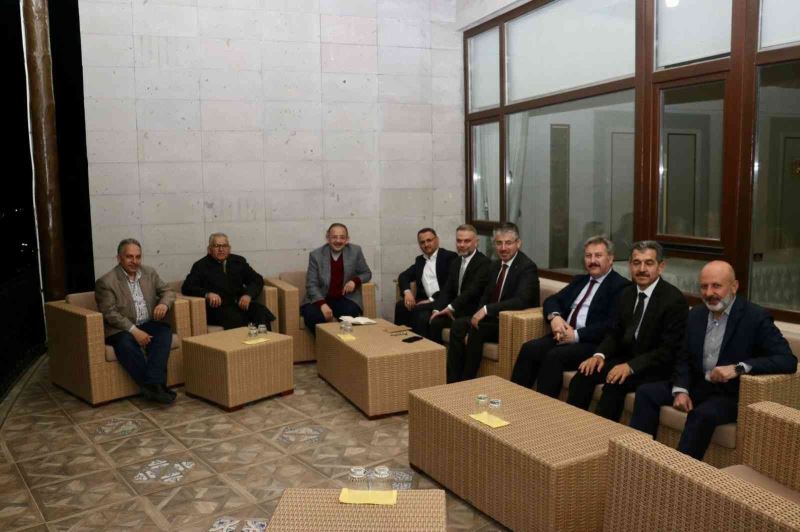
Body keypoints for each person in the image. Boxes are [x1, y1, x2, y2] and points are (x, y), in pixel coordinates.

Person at [630, 261, 797, 460]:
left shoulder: (755, 317)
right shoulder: (696, 314)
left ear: (734, 286)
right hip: (697, 385)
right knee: (646, 392)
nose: (709, 293)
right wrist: (681, 389)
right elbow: (683, 355)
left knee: (702, 414)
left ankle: (679, 470)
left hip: (729, 395)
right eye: (704, 286)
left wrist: (738, 368)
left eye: (716, 286)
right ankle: (637, 458)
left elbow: (787, 360)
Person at [566, 241, 688, 421]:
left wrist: (630, 367)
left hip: (654, 367)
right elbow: (615, 332)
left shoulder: (674, 300)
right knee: (585, 373)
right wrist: (599, 355)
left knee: (615, 383)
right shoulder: (627, 294)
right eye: (636, 263)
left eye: (649, 263)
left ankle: (601, 434)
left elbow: (667, 351)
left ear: (661, 267)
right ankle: (571, 425)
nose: (642, 269)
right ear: (630, 266)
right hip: (626, 358)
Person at [510, 236, 630, 396]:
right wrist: (555, 317)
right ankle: (514, 400)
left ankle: (543, 407)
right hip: (563, 335)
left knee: (554, 356)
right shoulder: (580, 280)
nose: (592, 261)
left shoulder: (621, 286)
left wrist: (576, 335)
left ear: (610, 259)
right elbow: (552, 300)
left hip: (591, 343)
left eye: (598, 255)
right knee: (529, 348)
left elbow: (611, 324)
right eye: (588, 256)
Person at [446, 223, 539, 383]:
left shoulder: (527, 267)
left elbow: (521, 300)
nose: (503, 248)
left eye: (508, 243)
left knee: (477, 330)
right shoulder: (495, 265)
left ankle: (467, 381)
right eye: (499, 243)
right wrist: (477, 314)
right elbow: (486, 295)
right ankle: (452, 381)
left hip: (511, 323)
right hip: (493, 319)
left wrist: (487, 309)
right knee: (458, 325)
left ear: (518, 243)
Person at [95, 239, 176, 404]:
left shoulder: (149, 273)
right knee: (125, 343)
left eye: (138, 257)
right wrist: (135, 331)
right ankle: (156, 386)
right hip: (119, 329)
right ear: (119, 258)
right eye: (129, 257)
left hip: (146, 322)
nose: (134, 261)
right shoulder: (106, 282)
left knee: (164, 331)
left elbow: (168, 291)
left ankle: (152, 385)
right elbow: (109, 313)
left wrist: (163, 304)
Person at [182, 233, 275, 330]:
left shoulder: (238, 261)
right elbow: (187, 287)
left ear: (229, 248)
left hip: (240, 304)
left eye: (224, 246)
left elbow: (257, 279)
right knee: (237, 319)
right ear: (209, 249)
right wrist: (207, 294)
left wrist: (248, 295)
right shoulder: (200, 266)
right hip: (218, 308)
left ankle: (266, 339)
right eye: (217, 246)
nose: (221, 249)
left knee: (260, 312)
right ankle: (246, 339)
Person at [301, 223, 372, 333]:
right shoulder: (316, 255)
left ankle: (344, 341)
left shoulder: (355, 251)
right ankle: (325, 342)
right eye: (334, 237)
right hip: (321, 297)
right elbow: (311, 284)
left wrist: (355, 281)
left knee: (350, 313)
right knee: (314, 316)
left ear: (347, 239)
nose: (338, 241)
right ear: (327, 238)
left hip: (344, 298)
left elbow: (366, 273)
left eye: (342, 237)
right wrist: (322, 304)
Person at [428, 224, 491, 345]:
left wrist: (450, 307)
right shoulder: (456, 262)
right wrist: (437, 309)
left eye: (467, 241)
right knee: (434, 321)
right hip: (456, 311)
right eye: (459, 241)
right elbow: (447, 289)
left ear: (476, 242)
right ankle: (436, 356)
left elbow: (472, 291)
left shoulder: (484, 263)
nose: (462, 245)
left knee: (458, 326)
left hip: (471, 312)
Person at [394, 228, 457, 338]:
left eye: (429, 240)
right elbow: (403, 276)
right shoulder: (420, 260)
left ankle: (420, 345)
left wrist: (431, 299)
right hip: (425, 300)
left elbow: (450, 285)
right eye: (422, 242)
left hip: (442, 300)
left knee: (419, 313)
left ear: (437, 240)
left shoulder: (449, 257)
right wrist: (407, 292)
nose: (426, 245)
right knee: (401, 305)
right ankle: (400, 340)